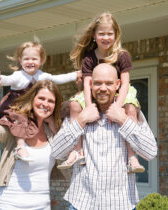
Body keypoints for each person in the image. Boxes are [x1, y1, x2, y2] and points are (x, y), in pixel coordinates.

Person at [51, 63, 157, 210]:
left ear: (118, 84)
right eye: (98, 83)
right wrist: (81, 120)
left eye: (108, 83)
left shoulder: (129, 112)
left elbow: (150, 152)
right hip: (81, 203)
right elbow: (56, 152)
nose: (102, 88)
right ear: (90, 85)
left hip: (122, 204)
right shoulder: (79, 113)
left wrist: (123, 120)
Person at [57, 11, 144, 173]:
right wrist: (89, 107)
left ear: (116, 35)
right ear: (94, 35)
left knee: (130, 110)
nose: (106, 37)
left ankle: (132, 155)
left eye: (110, 33)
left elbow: (125, 83)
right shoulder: (89, 58)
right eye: (101, 33)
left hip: (119, 90)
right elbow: (87, 83)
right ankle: (78, 150)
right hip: (94, 90)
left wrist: (118, 107)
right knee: (75, 106)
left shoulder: (122, 55)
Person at [0, 67, 68, 209]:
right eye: (41, 98)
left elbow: (67, 155)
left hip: (42, 205)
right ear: (32, 99)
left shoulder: (52, 133)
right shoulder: (15, 128)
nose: (45, 104)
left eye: (51, 101)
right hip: (11, 203)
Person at [0, 38, 81, 162]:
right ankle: (20, 147)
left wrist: (75, 75)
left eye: (34, 59)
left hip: (32, 107)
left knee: (51, 119)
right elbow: (7, 80)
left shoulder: (42, 76)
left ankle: (63, 143)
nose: (30, 62)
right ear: (20, 60)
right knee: (21, 120)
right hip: (17, 107)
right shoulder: (18, 76)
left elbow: (58, 78)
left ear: (41, 61)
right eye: (26, 59)